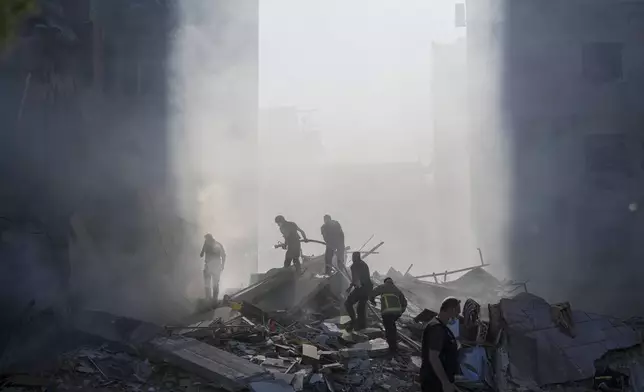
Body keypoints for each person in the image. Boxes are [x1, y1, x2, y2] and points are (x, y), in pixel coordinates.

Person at [421, 297, 462, 392]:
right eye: (457, 312)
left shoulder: (442, 327)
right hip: (434, 382)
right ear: (451, 310)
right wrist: (445, 382)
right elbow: (434, 358)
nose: (457, 316)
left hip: (439, 381)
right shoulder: (436, 329)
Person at [370, 277, 407, 353]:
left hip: (387, 312)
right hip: (396, 313)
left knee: (389, 329)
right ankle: (394, 346)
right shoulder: (397, 290)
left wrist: (372, 301)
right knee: (392, 327)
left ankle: (392, 348)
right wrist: (400, 312)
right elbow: (404, 303)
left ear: (385, 281)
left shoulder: (383, 286)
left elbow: (372, 293)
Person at [345, 251, 373, 331]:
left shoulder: (355, 265)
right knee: (360, 308)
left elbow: (356, 279)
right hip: (368, 288)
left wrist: (351, 287)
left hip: (362, 288)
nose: (352, 258)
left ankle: (354, 322)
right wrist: (351, 287)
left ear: (357, 257)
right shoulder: (363, 264)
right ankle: (361, 326)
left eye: (353, 257)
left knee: (348, 303)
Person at [200, 233, 226, 300]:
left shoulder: (218, 245)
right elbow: (201, 254)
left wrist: (222, 265)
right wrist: (204, 246)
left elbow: (223, 255)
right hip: (209, 266)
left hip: (215, 266)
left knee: (215, 284)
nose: (206, 241)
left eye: (207, 239)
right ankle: (209, 298)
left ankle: (214, 299)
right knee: (207, 284)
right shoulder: (207, 245)